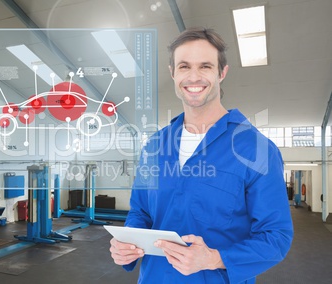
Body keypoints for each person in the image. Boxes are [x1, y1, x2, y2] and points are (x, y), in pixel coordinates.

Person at [109, 27, 293, 283]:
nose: (193, 77)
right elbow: (141, 212)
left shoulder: (256, 149)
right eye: (184, 66)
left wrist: (214, 258)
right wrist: (127, 242)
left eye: (205, 66)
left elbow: (276, 237)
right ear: (172, 73)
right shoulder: (154, 145)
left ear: (222, 73)